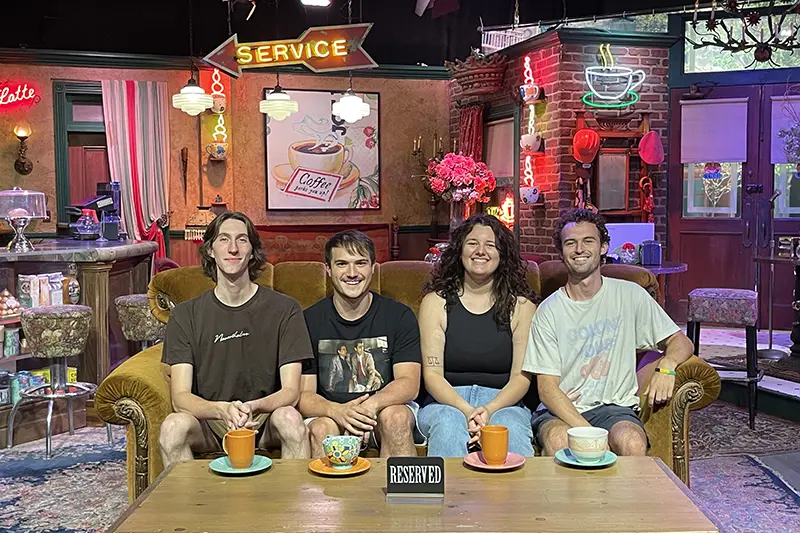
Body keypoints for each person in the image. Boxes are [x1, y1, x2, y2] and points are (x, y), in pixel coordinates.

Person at [523, 209, 694, 457]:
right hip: (559, 410)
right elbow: (547, 389)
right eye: (570, 243)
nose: (579, 249)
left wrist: (667, 365)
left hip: (615, 408)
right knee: (559, 441)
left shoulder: (630, 295)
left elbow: (680, 341)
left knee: (632, 442)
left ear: (603, 247)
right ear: (561, 252)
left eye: (588, 241)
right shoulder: (548, 311)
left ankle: (626, 498)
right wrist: (587, 432)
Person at [159, 212, 314, 468]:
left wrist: (253, 407)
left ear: (252, 251)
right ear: (210, 250)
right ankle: (188, 507)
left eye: (242, 240)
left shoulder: (285, 309)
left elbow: (291, 392)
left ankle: (292, 506)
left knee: (290, 419)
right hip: (211, 420)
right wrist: (221, 410)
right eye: (224, 240)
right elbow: (181, 397)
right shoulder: (185, 315)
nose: (233, 248)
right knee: (173, 427)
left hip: (264, 419)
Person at [417, 214, 537, 458]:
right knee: (449, 425)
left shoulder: (522, 307)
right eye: (472, 243)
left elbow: (521, 378)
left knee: (510, 428)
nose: (480, 251)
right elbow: (432, 375)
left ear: (502, 255)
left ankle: (517, 498)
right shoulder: (435, 303)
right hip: (446, 401)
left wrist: (489, 410)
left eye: (490, 245)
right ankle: (450, 496)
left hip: (504, 402)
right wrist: (468, 410)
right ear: (459, 250)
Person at [299, 230, 422, 457]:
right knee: (321, 428)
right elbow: (304, 396)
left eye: (361, 263)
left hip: (384, 407)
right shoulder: (309, 321)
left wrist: (368, 407)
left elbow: (409, 383)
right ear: (328, 269)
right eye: (342, 264)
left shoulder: (399, 316)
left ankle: (404, 494)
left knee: (397, 418)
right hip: (330, 412)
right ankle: (331, 494)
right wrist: (339, 411)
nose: (352, 273)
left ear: (373, 268)